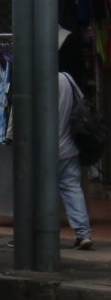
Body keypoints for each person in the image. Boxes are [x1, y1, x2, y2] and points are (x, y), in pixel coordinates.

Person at [59, 69, 94, 250]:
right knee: (72, 189)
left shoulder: (35, 82)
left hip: (45, 151)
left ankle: (40, 233)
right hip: (69, 147)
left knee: (39, 192)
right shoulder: (67, 79)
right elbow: (82, 104)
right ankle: (83, 233)